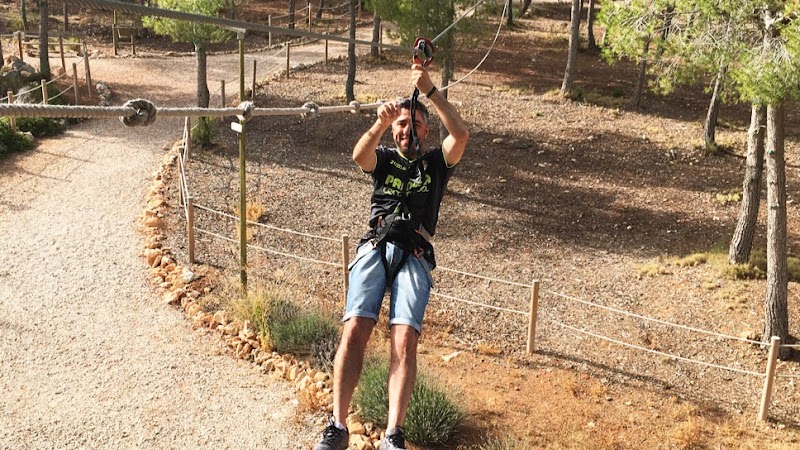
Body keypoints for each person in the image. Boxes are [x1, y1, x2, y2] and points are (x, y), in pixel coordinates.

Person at [313, 62, 469, 450]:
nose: (406, 130)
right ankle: (337, 424)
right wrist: (379, 123)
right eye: (401, 124)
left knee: (404, 338)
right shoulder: (385, 158)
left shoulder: (436, 165)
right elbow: (359, 156)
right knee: (355, 328)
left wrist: (429, 91)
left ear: (426, 131)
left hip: (414, 252)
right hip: (376, 245)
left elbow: (461, 134)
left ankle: (393, 434)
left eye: (414, 124)